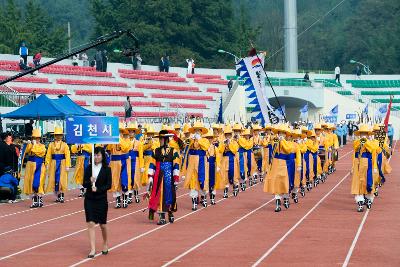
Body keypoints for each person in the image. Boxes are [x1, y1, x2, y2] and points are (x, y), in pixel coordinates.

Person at [147, 130, 180, 225]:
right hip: (158, 176)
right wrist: (150, 177)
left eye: (161, 139)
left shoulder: (174, 151)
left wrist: (176, 178)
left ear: (166, 140)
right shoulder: (155, 151)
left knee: (169, 194)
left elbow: (176, 165)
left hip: (169, 176)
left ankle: (170, 212)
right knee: (158, 195)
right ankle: (161, 216)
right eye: (159, 139)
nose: (160, 140)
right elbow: (152, 164)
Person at [83, 146, 111, 258]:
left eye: (98, 155)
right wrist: (89, 182)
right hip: (89, 198)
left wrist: (98, 189)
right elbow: (84, 183)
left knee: (103, 225)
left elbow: (109, 185)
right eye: (94, 155)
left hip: (101, 199)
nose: (96, 157)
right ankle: (93, 249)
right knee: (90, 223)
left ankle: (105, 243)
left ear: (102, 156)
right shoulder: (89, 168)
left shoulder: (107, 169)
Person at [351, 125, 378, 212]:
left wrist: (365, 142)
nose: (363, 135)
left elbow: (372, 149)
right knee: (358, 183)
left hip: (368, 164)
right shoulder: (356, 142)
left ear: (368, 135)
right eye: (362, 133)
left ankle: (368, 199)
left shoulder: (372, 142)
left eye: (365, 133)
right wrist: (352, 167)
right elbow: (355, 148)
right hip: (358, 164)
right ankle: (360, 203)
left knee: (367, 183)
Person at [183, 121, 210, 210]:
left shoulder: (205, 140)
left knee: (202, 179)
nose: (197, 132)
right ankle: (194, 202)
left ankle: (203, 197)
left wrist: (199, 139)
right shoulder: (191, 139)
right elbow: (186, 147)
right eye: (195, 130)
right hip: (192, 162)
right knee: (193, 180)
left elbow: (206, 147)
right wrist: (190, 140)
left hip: (201, 161)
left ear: (201, 131)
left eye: (199, 130)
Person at [45, 127, 71, 203]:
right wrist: (47, 163)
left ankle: (62, 196)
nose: (58, 136)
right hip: (53, 163)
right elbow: (48, 155)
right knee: (54, 179)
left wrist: (67, 165)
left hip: (62, 163)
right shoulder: (51, 145)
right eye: (56, 135)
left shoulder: (65, 145)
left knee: (62, 180)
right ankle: (57, 195)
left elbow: (67, 155)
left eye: (59, 135)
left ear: (62, 136)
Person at [23, 128, 46, 208]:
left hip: (39, 165)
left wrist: (35, 145)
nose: (36, 139)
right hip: (30, 165)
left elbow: (40, 152)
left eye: (37, 138)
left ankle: (40, 199)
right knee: (31, 182)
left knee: (39, 181)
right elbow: (26, 151)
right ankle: (34, 201)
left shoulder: (42, 146)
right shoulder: (31, 145)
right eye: (34, 138)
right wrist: (28, 144)